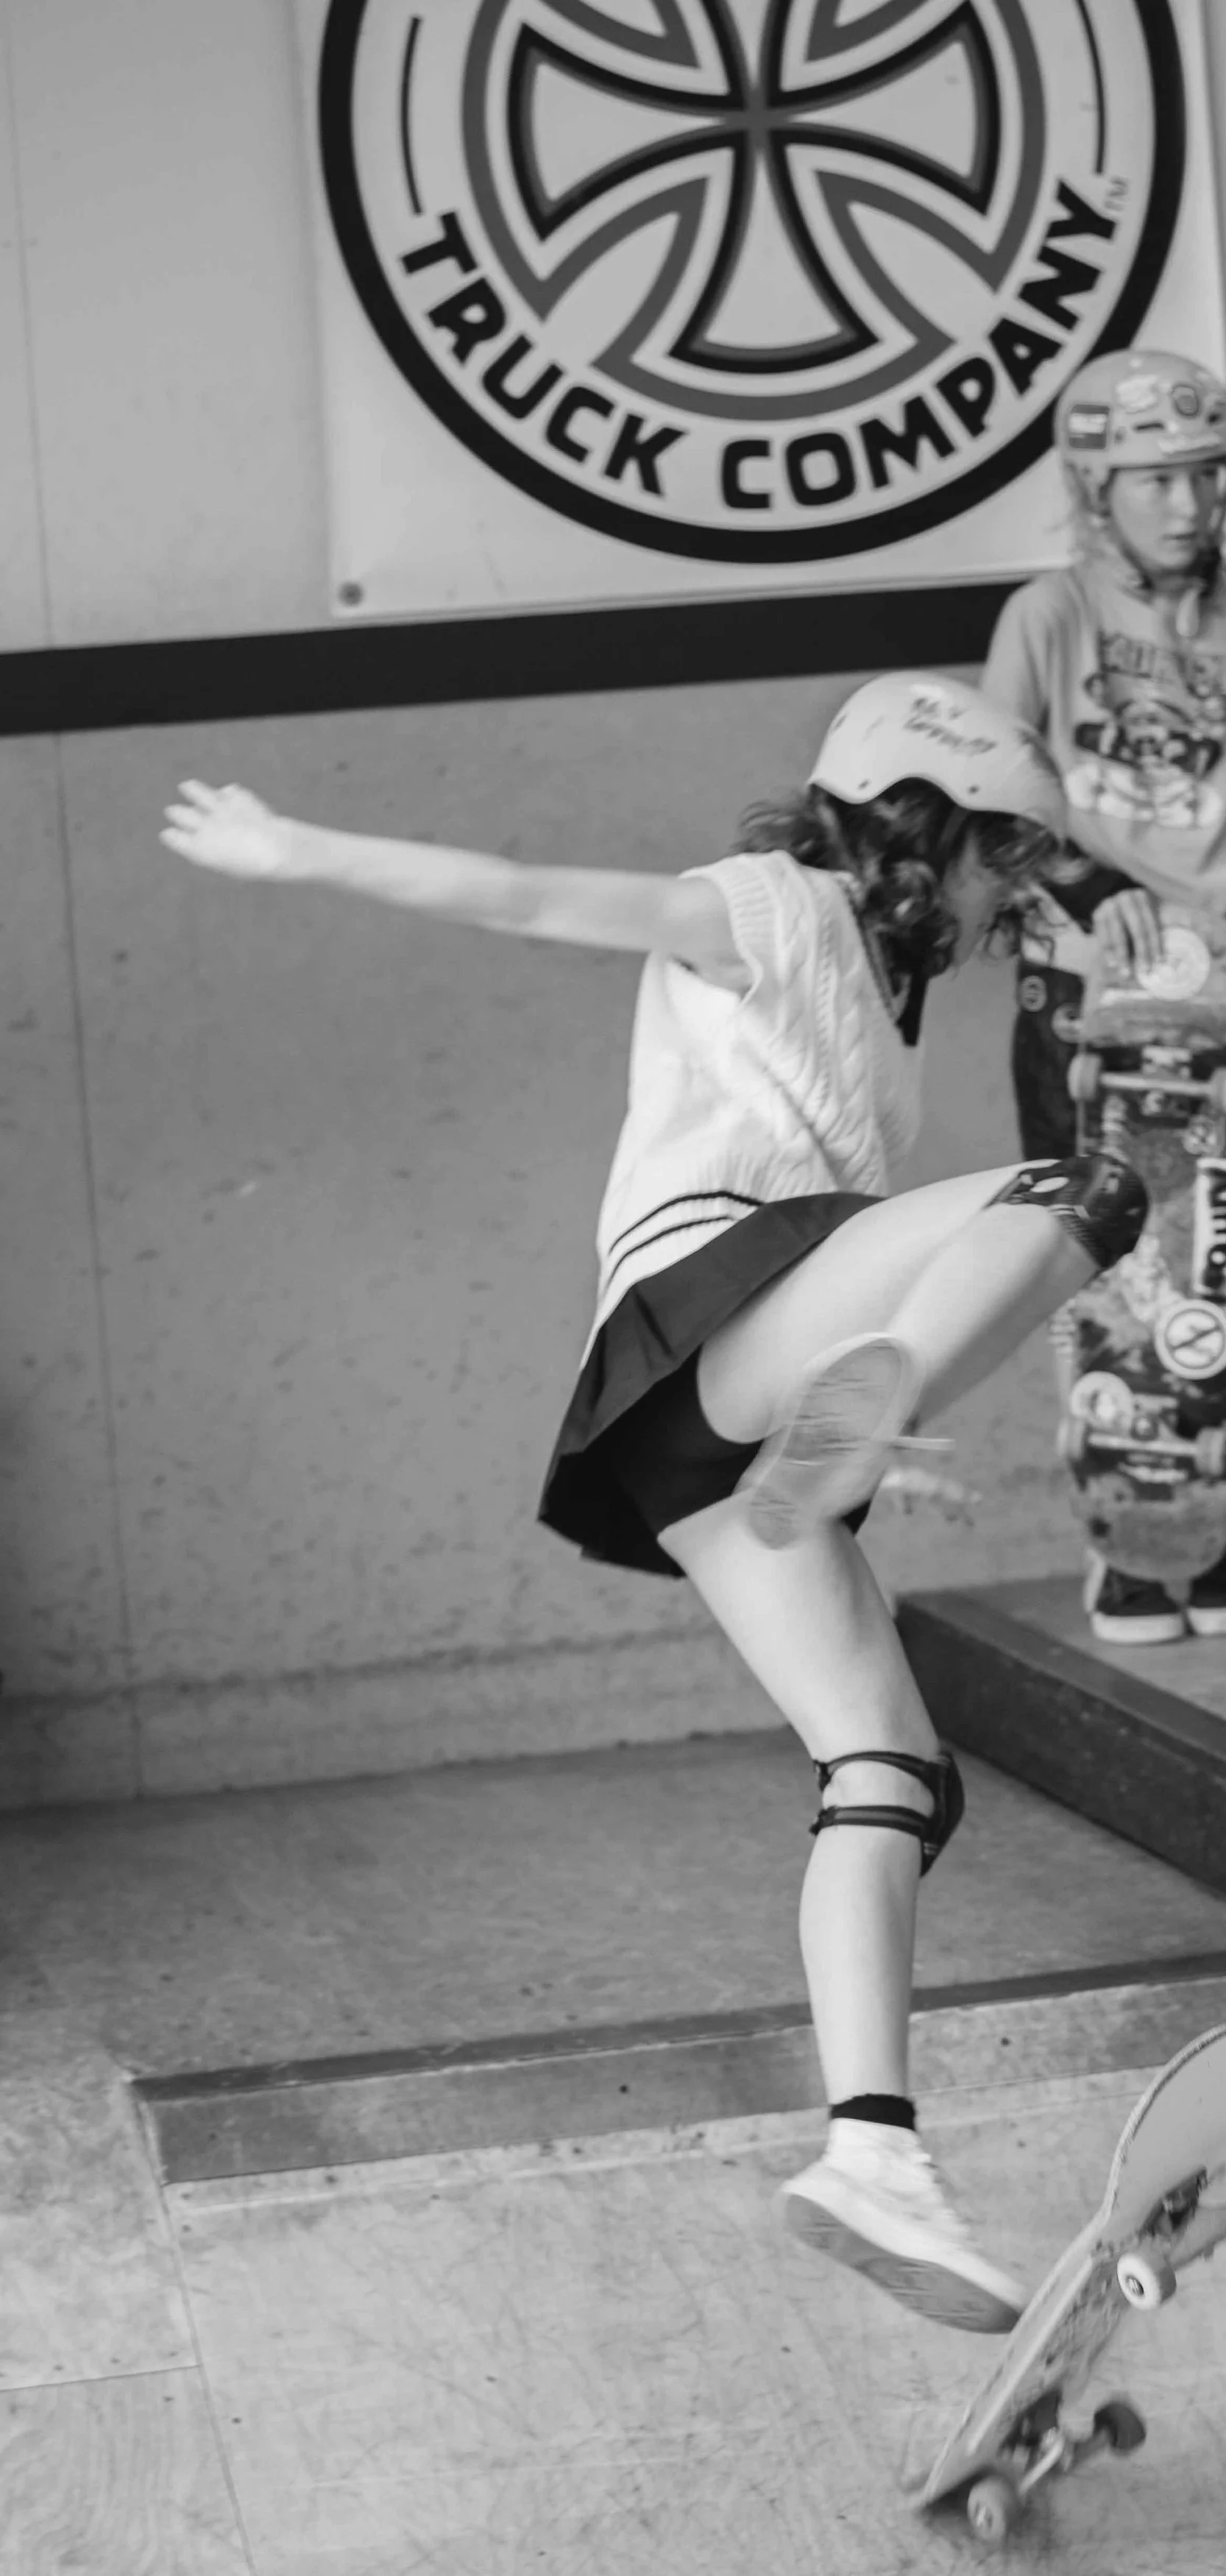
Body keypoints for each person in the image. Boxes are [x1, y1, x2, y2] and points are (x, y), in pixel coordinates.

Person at [160, 673, 1152, 2333]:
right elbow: (534, 895)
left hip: (704, 1434)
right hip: (720, 1307)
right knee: (1084, 1186)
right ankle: (878, 1401)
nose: (1000, 903)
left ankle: (869, 2154)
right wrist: (294, 847)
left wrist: (1089, 899)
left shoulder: (891, 977)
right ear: (917, 828)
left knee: (889, 1769)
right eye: (992, 862)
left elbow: (1030, 921)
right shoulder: (766, 905)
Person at [981, 349, 1226, 1644]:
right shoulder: (1047, 617)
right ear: (1095, 486)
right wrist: (1081, 886)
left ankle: (1215, 1509)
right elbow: (998, 791)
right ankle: (1124, 1531)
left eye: (1203, 477)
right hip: (1087, 991)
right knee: (1103, 1252)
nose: (1186, 505)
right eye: (1155, 481)